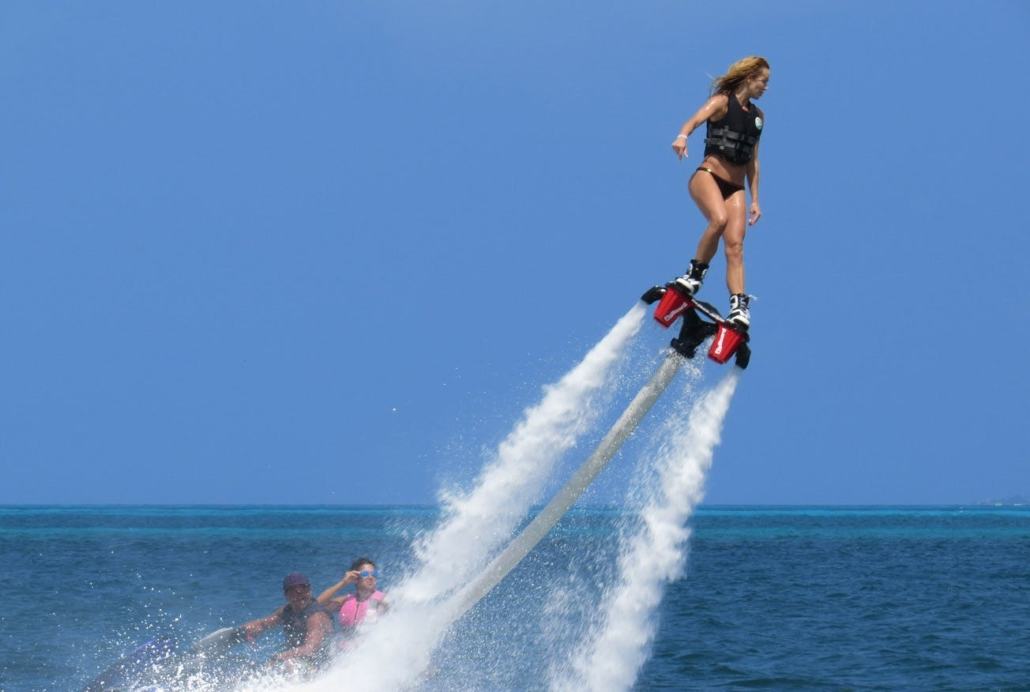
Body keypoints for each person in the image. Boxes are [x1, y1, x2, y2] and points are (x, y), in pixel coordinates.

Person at [670, 56, 770, 328]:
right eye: (763, 81)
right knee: (719, 220)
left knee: (736, 245)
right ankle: (694, 274)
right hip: (708, 176)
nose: (766, 87)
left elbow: (753, 161)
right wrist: (682, 137)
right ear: (750, 78)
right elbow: (693, 121)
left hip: (736, 188)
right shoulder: (722, 101)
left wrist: (756, 200)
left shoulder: (759, 117)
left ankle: (738, 306)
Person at [240, 572, 333, 670]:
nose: (299, 593)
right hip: (297, 659)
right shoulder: (287, 611)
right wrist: (241, 631)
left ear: (309, 590)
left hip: (319, 665)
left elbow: (310, 648)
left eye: (303, 588)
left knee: (288, 664)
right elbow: (263, 624)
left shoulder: (316, 616)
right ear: (286, 595)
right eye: (293, 591)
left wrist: (279, 656)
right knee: (252, 667)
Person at [317, 557, 388, 639]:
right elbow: (317, 605)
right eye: (365, 574)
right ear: (355, 579)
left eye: (373, 574)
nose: (370, 577)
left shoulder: (383, 600)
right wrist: (343, 582)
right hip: (345, 650)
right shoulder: (346, 600)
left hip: (371, 648)